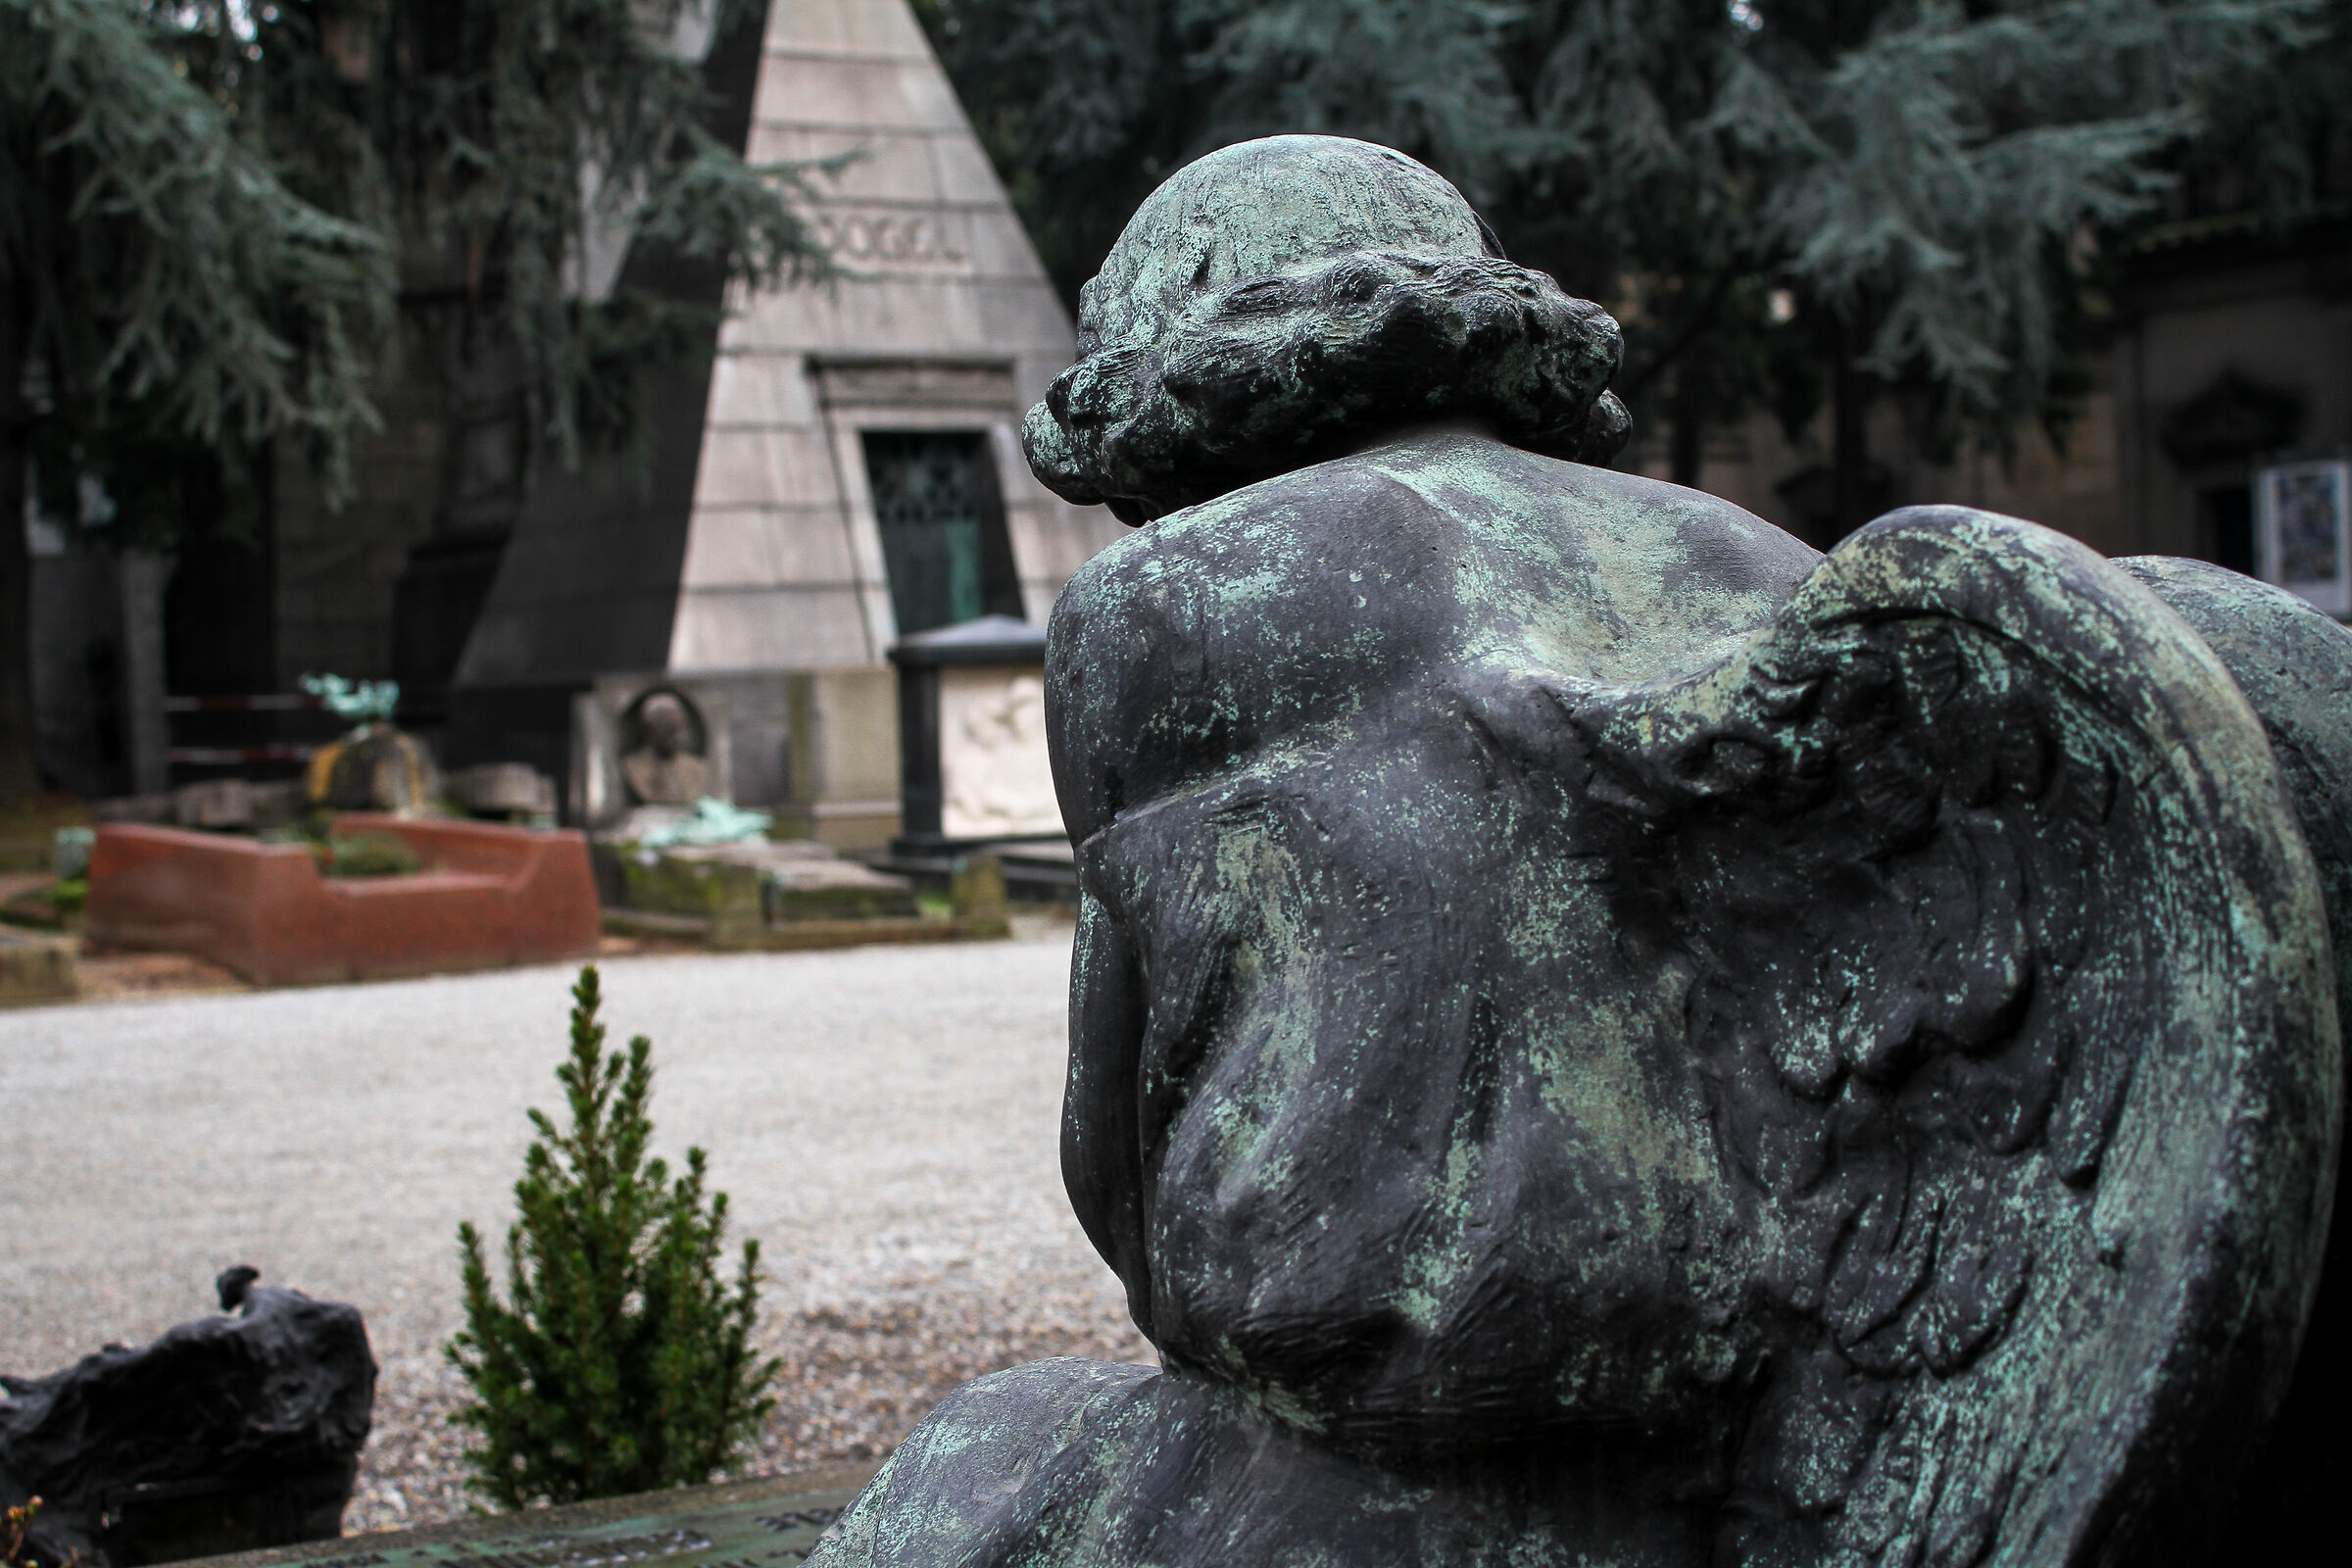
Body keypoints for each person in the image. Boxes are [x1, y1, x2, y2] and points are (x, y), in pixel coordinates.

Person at [810, 135, 2345, 1568]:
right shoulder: (1738, 548)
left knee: (974, 1463)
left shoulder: (1175, 597)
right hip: (1719, 1445)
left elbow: (1121, 1175)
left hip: (1389, 1462)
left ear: (1154, 383)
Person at [620, 691, 709, 806]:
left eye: (680, 728)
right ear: (650, 732)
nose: (677, 737)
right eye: (669, 729)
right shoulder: (633, 766)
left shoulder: (696, 768)